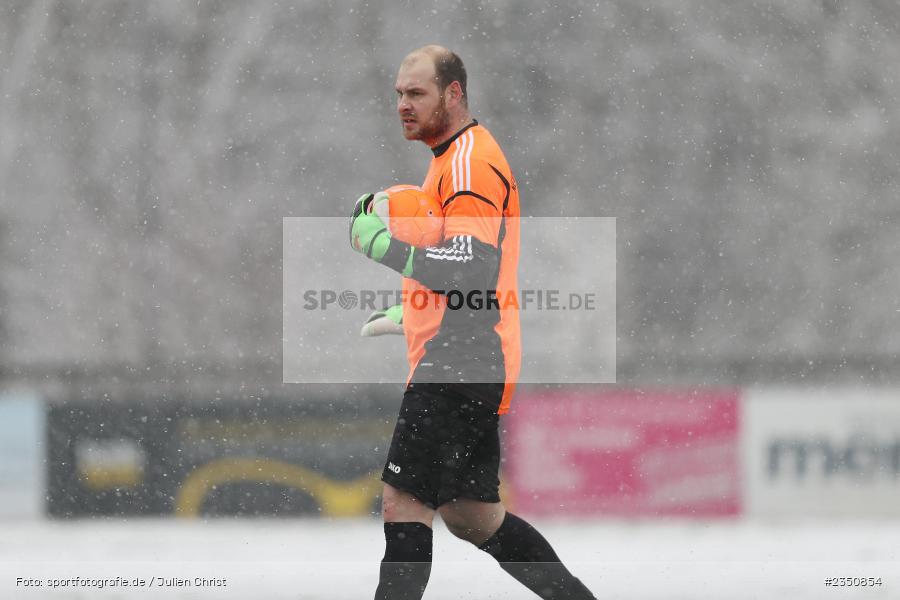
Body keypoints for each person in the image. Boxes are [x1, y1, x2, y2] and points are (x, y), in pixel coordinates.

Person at [349, 45, 596, 600]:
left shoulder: (468, 161)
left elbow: (472, 265)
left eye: (416, 93)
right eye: (399, 94)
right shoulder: (449, 159)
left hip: (462, 358)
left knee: (403, 502)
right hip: (471, 352)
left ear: (453, 94)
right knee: (472, 515)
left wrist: (385, 248)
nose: (403, 106)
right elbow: (467, 264)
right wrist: (414, 312)